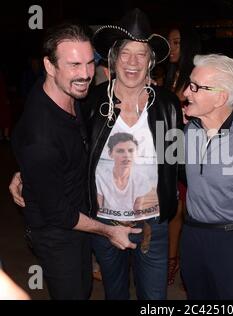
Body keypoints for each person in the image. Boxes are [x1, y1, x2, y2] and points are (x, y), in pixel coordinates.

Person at [10, 23, 141, 300]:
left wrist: (25, 173)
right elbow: (60, 213)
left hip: (76, 216)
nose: (84, 74)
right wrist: (109, 231)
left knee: (84, 288)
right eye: (73, 65)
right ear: (49, 65)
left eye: (89, 62)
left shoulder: (67, 93)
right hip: (57, 233)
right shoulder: (41, 134)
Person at [83, 8, 181, 300]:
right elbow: (69, 153)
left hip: (153, 225)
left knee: (154, 298)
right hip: (104, 224)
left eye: (141, 54)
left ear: (151, 61)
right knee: (115, 293)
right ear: (113, 58)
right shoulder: (91, 102)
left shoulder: (167, 104)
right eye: (125, 53)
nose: (133, 63)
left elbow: (176, 160)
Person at [180, 54, 233, 299]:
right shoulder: (187, 131)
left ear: (220, 97)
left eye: (196, 87)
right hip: (193, 237)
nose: (187, 91)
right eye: (190, 84)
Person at [165, 26, 201, 286]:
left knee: (190, 206)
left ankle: (184, 259)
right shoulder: (169, 75)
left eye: (176, 42)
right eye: (169, 43)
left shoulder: (196, 75)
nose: (172, 48)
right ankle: (171, 258)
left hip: (191, 142)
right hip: (168, 141)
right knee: (173, 204)